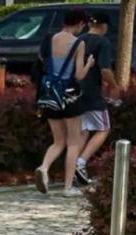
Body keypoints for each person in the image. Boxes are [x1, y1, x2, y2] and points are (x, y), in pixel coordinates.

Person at [34, 9, 95, 196]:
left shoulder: (51, 39)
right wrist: (89, 64)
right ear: (79, 24)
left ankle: (44, 168)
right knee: (73, 143)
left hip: (50, 95)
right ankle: (68, 187)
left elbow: (42, 63)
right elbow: (78, 75)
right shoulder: (78, 43)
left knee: (58, 141)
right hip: (69, 97)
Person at [74, 11, 120, 185]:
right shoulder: (103, 42)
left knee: (83, 130)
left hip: (75, 91)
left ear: (89, 25)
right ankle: (81, 162)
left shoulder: (78, 40)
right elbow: (105, 69)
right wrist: (114, 86)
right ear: (104, 26)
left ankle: (73, 168)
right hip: (92, 91)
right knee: (103, 128)